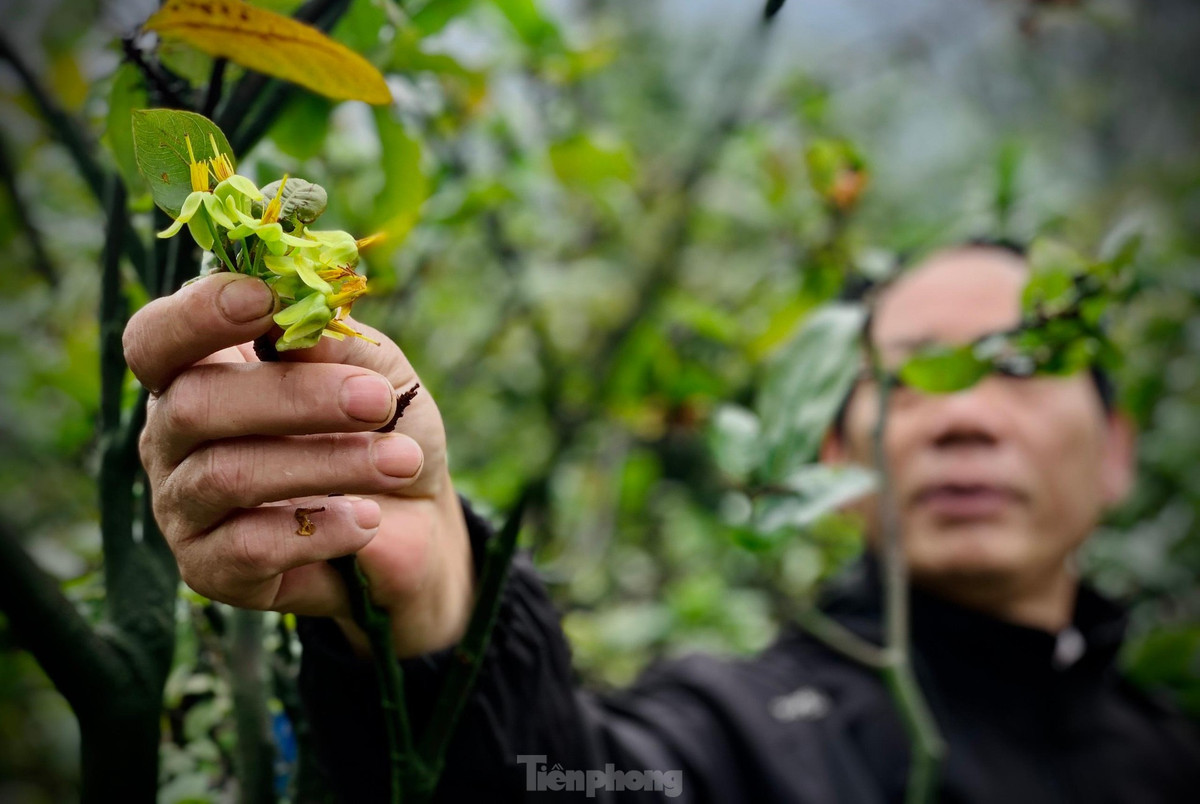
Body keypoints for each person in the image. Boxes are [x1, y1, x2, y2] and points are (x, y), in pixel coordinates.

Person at [123, 241, 1200, 802]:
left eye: (1021, 365)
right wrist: (439, 597)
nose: (962, 416)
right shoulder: (747, 740)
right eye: (907, 379)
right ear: (831, 453)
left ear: (1116, 450)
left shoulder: (1172, 758)